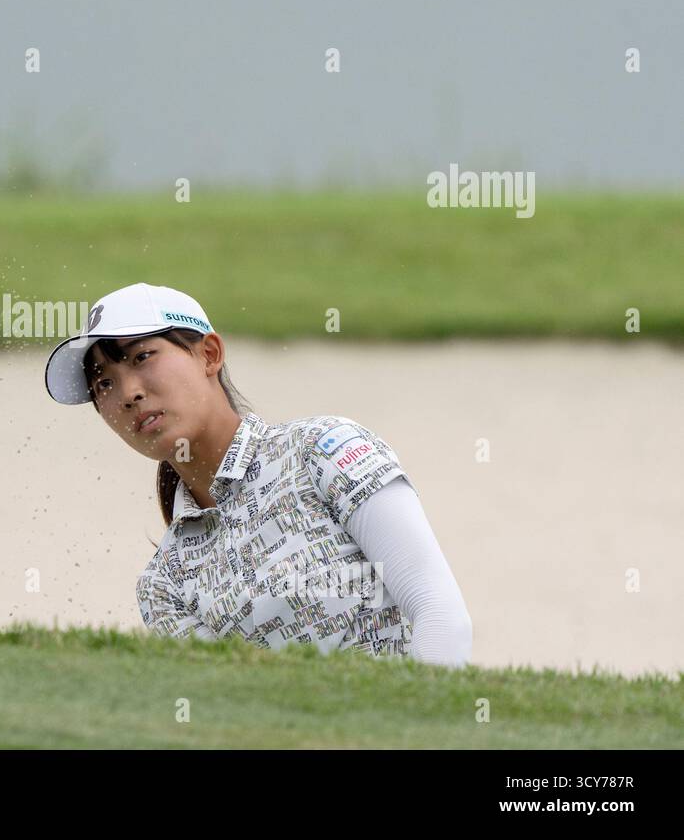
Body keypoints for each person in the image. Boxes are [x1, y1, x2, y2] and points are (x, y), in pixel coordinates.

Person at [44, 282, 473, 667]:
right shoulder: (163, 586)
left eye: (142, 356)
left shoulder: (326, 449)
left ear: (209, 355)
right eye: (103, 384)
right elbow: (232, 714)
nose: (128, 393)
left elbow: (440, 617)